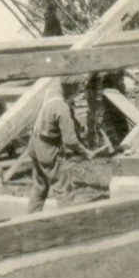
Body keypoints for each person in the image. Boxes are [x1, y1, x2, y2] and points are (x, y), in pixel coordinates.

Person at [27, 80, 98, 213]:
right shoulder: (61, 108)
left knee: (40, 185)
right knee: (64, 188)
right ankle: (67, 223)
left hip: (34, 143)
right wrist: (85, 152)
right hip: (47, 147)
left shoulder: (51, 92)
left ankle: (29, 219)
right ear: (72, 89)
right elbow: (70, 141)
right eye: (78, 89)